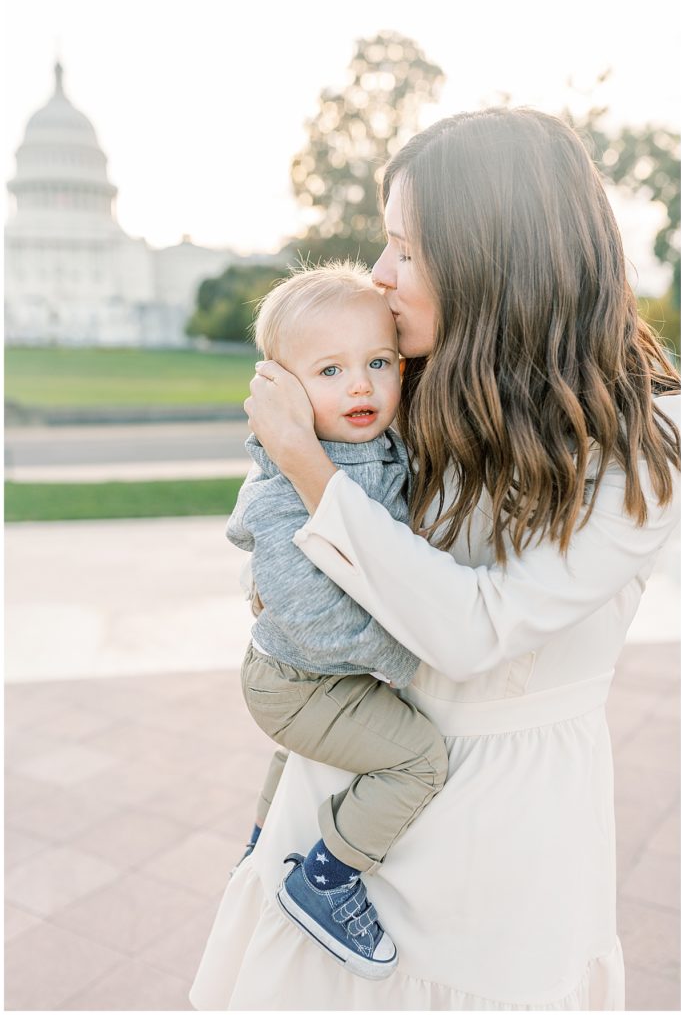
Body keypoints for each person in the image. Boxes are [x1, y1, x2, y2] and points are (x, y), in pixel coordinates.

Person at [190, 108, 680, 1011]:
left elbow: (474, 630)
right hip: (356, 775)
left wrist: (304, 464)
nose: (376, 275)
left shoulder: (641, 445)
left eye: (404, 249)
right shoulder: (414, 387)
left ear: (494, 260)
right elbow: (289, 552)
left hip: (503, 815)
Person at [224, 262, 448, 978]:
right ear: (281, 392)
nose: (361, 385)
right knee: (416, 757)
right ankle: (325, 878)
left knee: (299, 762)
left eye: (378, 362)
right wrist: (418, 652)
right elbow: (321, 626)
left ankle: (261, 845)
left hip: (313, 676)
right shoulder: (282, 496)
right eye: (330, 370)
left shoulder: (379, 446)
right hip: (296, 682)